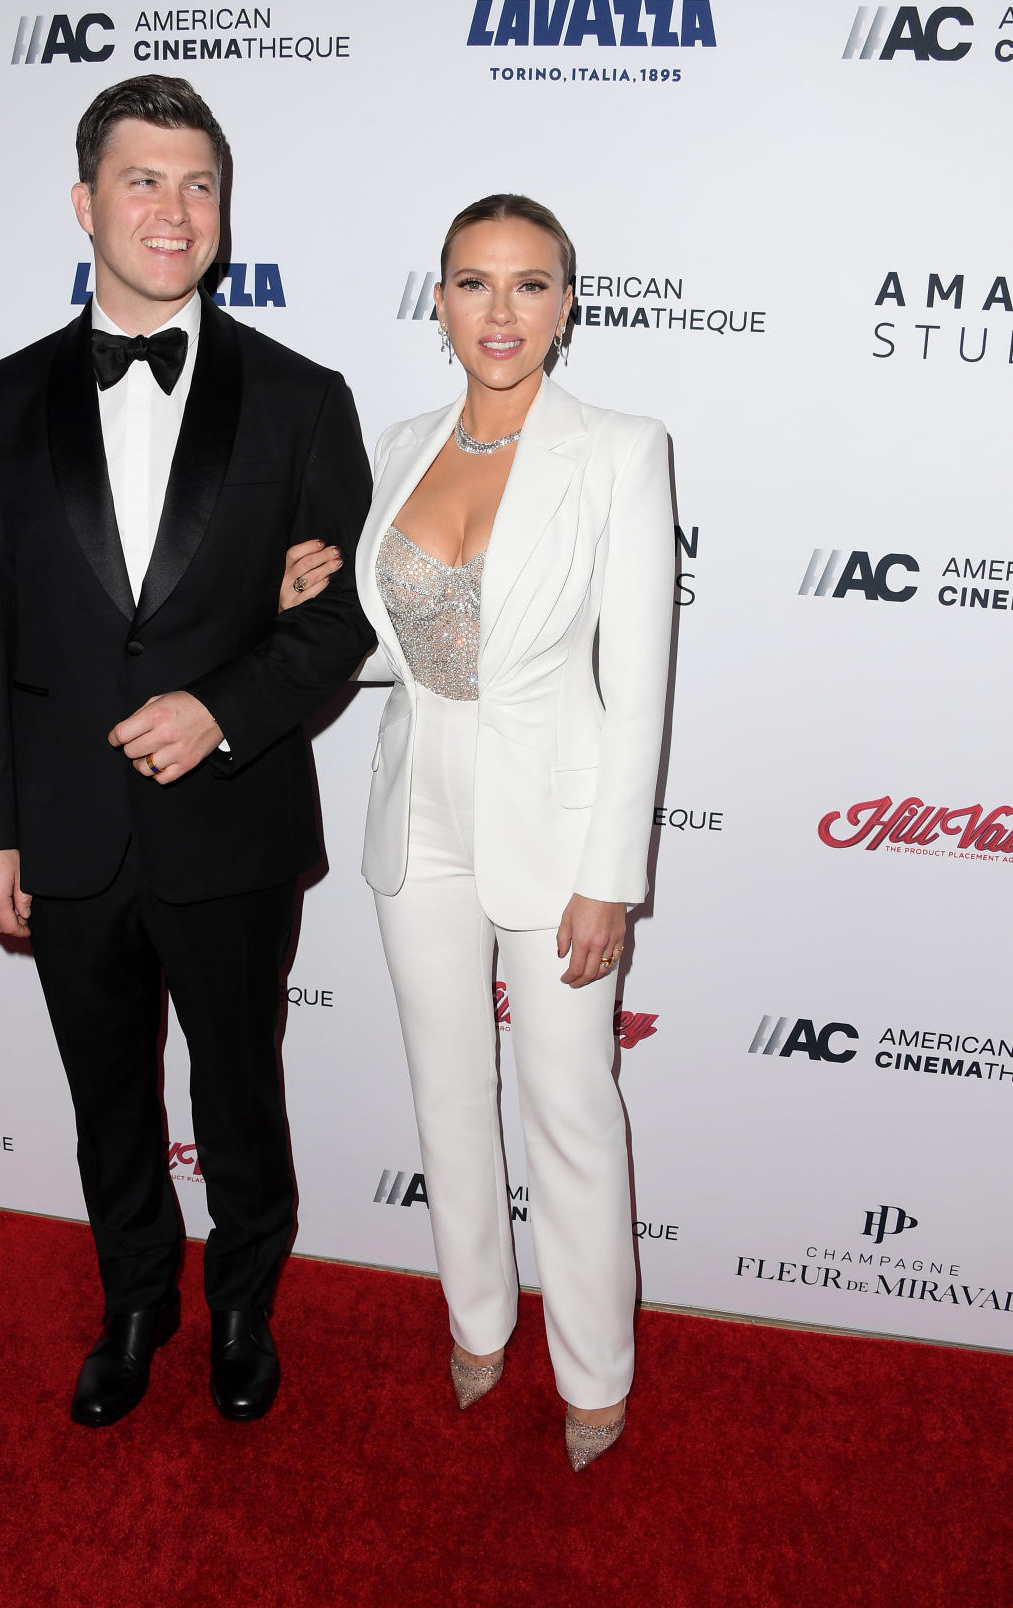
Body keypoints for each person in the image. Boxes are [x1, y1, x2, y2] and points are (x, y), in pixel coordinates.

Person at [0, 75, 374, 1429]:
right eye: (141, 180)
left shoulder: (301, 398)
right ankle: (134, 1300)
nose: (172, 211)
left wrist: (221, 707)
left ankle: (242, 1301)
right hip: (60, 826)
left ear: (223, 207)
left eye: (197, 185)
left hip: (231, 817)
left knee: (239, 1087)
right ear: (85, 201)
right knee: (105, 1089)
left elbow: (343, 616)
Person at [285, 195, 674, 1470]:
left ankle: (596, 1371)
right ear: (439, 300)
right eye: (472, 283)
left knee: (568, 1101)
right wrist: (312, 599)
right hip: (419, 810)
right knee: (448, 1092)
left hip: (555, 829)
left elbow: (639, 683)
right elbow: (406, 656)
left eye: (530, 285)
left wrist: (609, 876)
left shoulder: (619, 448)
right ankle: (477, 1320)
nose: (499, 312)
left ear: (568, 305)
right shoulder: (399, 444)